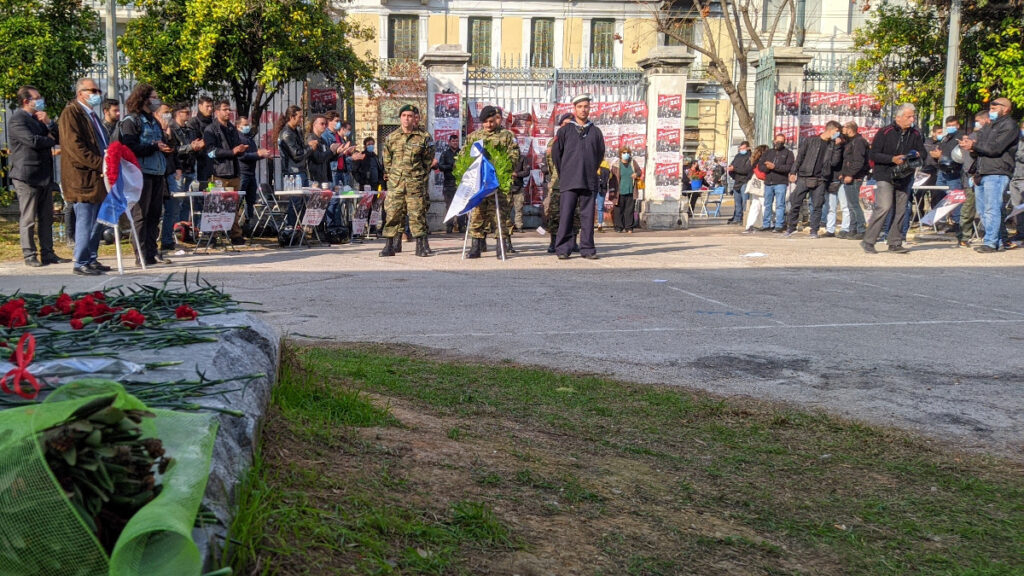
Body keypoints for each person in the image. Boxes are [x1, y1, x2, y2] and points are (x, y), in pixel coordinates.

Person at [116, 84, 173, 265]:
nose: (157, 100)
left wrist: (165, 145)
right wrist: (153, 146)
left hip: (158, 172)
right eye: (154, 96)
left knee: (155, 214)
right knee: (141, 214)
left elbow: (160, 142)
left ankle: (151, 252)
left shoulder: (154, 120)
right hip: (140, 174)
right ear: (144, 98)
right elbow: (129, 147)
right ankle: (139, 254)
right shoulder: (131, 121)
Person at [8, 85, 65, 268]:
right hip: (27, 175)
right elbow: (33, 141)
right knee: (29, 218)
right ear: (26, 101)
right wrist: (48, 140)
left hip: (45, 176)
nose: (40, 101)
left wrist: (49, 123)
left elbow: (58, 138)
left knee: (46, 217)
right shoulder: (18, 119)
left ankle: (48, 253)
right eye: (36, 98)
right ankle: (29, 254)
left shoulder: (39, 118)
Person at [59, 78, 110, 275]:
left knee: (98, 221)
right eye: (93, 90)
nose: (97, 94)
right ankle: (80, 261)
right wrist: (101, 164)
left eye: (98, 90)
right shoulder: (71, 113)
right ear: (81, 93)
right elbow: (75, 148)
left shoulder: (91, 115)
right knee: (85, 220)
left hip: (98, 178)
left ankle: (91, 257)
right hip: (83, 177)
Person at [861, 103, 924, 254]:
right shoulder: (885, 132)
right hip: (885, 174)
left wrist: (917, 155)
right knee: (884, 206)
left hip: (905, 174)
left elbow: (923, 152)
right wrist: (892, 159)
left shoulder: (915, 134)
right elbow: (873, 154)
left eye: (913, 116)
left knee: (901, 209)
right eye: (908, 116)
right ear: (899, 117)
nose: (911, 119)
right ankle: (869, 241)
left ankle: (895, 242)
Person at [959, 97, 1019, 252]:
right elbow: (979, 149)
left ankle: (990, 242)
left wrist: (975, 145)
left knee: (992, 208)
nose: (991, 110)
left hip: (997, 171)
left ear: (1005, 108)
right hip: (981, 171)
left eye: (994, 107)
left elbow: (996, 148)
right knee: (983, 209)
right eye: (990, 108)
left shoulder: (1010, 125)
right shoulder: (988, 127)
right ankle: (997, 241)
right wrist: (970, 147)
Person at [552, 93, 605, 260]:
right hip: (569, 179)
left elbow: (599, 154)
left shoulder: (596, 132)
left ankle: (588, 249)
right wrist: (565, 172)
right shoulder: (564, 131)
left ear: (590, 108)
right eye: (580, 107)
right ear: (574, 109)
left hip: (588, 180)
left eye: (586, 106)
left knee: (588, 217)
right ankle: (562, 249)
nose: (583, 110)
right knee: (566, 214)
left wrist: (590, 169)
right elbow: (556, 155)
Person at [464, 105, 520, 258]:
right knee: (477, 214)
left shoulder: (507, 135)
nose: (489, 125)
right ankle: (475, 246)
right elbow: (465, 156)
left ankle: (500, 246)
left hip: (498, 182)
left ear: (496, 119)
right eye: (485, 122)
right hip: (479, 183)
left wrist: (502, 168)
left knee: (499, 214)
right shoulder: (474, 137)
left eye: (491, 121)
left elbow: (514, 155)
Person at [380, 104, 435, 257]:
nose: (406, 119)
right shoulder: (391, 137)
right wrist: (393, 176)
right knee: (392, 213)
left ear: (414, 118)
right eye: (404, 116)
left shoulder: (424, 137)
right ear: (400, 118)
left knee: (417, 213)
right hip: (396, 184)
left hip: (415, 183)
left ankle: (420, 245)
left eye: (410, 116)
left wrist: (419, 176)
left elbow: (428, 160)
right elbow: (387, 160)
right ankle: (389, 245)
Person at [784, 121, 843, 238]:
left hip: (821, 178)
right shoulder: (811, 141)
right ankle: (791, 228)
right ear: (831, 130)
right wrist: (793, 171)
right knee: (796, 202)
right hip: (804, 176)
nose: (839, 134)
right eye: (837, 131)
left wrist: (837, 147)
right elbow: (800, 157)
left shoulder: (832, 145)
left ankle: (814, 231)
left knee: (817, 205)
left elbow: (834, 162)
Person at [203, 100, 250, 245]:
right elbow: (210, 152)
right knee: (216, 206)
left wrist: (241, 150)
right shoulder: (210, 130)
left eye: (229, 109)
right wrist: (231, 152)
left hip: (234, 173)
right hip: (219, 173)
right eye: (224, 109)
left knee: (234, 206)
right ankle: (212, 236)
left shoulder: (232, 128)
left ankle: (236, 235)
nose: (228, 112)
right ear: (217, 112)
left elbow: (236, 148)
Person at [166, 103, 205, 247]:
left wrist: (198, 147)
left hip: (190, 169)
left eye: (189, 112)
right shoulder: (172, 128)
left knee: (187, 205)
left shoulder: (190, 129)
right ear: (177, 113)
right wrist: (190, 147)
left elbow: (193, 147)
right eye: (185, 112)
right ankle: (171, 234)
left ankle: (183, 232)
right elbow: (173, 149)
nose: (188, 115)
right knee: (176, 203)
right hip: (178, 170)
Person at [542, 113, 579, 253]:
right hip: (558, 182)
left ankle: (573, 241)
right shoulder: (554, 142)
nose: (567, 127)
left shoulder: (579, 140)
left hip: (575, 181)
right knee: (555, 213)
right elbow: (551, 165)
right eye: (564, 124)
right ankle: (554, 242)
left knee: (575, 213)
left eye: (570, 124)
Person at [274, 105, 317, 225]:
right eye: (299, 117)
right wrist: (310, 148)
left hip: (301, 170)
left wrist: (308, 145)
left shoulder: (296, 131)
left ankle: (301, 226)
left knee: (305, 201)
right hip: (293, 172)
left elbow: (301, 148)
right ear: (291, 117)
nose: (301, 119)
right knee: (296, 201)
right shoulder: (287, 133)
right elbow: (297, 154)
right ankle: (291, 226)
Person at [957, 111, 991, 247]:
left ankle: (990, 235)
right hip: (972, 176)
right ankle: (964, 236)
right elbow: (966, 158)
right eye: (976, 121)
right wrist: (970, 174)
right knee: (968, 208)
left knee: (989, 208)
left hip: (986, 175)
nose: (977, 124)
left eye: (978, 121)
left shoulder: (989, 136)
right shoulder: (972, 137)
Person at [837, 122, 869, 240]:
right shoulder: (849, 141)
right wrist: (843, 174)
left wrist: (850, 174)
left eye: (844, 128)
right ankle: (853, 228)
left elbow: (858, 161)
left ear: (850, 129)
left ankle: (861, 229)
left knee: (854, 204)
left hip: (855, 177)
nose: (842, 130)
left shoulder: (858, 141)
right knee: (850, 205)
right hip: (847, 177)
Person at [235, 116, 271, 224]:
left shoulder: (249, 139)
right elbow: (241, 156)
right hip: (242, 172)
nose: (247, 127)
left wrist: (262, 154)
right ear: (238, 126)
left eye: (248, 124)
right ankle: (234, 224)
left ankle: (248, 222)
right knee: (239, 199)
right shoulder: (237, 139)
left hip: (251, 173)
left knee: (250, 200)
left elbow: (254, 154)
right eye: (245, 125)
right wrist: (257, 154)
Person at [758, 133, 794, 232]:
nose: (779, 143)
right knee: (767, 204)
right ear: (774, 141)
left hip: (780, 182)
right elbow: (760, 166)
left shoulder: (788, 153)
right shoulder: (768, 152)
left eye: (782, 142)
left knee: (780, 204)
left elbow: (788, 167)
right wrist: (767, 168)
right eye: (778, 141)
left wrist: (774, 167)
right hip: (768, 182)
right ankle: (766, 224)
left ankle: (779, 225)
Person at [609, 146, 642, 233]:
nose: (626, 154)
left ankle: (629, 227)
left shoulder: (632, 162)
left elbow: (639, 171)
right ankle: (619, 227)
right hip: (619, 191)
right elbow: (611, 177)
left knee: (629, 210)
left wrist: (636, 174)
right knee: (618, 210)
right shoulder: (616, 164)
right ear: (620, 154)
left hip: (630, 190)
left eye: (627, 153)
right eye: (624, 153)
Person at [437, 134, 465, 233]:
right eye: (453, 141)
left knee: (462, 205)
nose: (455, 143)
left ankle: (462, 226)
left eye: (456, 141)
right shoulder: (445, 154)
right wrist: (451, 166)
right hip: (448, 183)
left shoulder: (462, 153)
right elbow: (440, 166)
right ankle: (449, 226)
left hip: (460, 184)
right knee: (449, 205)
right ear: (449, 142)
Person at [187, 96, 215, 186]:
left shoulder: (214, 122)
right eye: (207, 106)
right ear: (200, 106)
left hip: (214, 163)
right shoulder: (193, 122)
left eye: (211, 106)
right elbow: (194, 144)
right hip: (199, 163)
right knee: (199, 192)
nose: (210, 109)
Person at [726, 141, 752, 224]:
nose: (741, 150)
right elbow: (732, 166)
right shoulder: (737, 156)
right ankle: (737, 218)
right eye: (740, 148)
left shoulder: (750, 157)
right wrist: (731, 171)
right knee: (737, 202)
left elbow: (746, 170)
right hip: (737, 181)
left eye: (743, 148)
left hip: (745, 181)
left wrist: (735, 169)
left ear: (748, 148)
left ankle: (744, 218)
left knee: (745, 201)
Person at [1009, 118, 1024, 245]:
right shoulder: (1017, 141)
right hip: (1014, 178)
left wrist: (1018, 152)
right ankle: (1020, 232)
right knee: (1017, 208)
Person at [512, 151, 532, 232]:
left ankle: (519, 226)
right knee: (504, 209)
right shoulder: (504, 156)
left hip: (518, 187)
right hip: (506, 187)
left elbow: (527, 172)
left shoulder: (522, 158)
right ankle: (506, 227)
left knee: (519, 208)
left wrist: (516, 174)